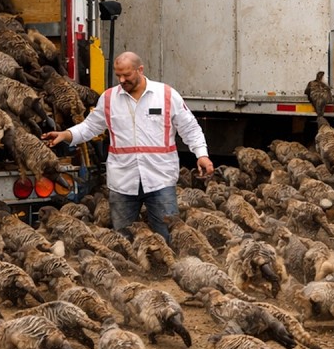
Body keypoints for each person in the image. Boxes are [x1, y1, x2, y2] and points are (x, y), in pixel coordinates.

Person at [43, 52, 214, 243]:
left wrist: (202, 155)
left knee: (167, 235)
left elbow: (190, 128)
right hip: (123, 182)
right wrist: (65, 135)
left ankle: (166, 270)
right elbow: (90, 126)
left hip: (159, 179)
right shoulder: (109, 99)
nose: (122, 80)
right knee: (123, 240)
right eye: (118, 76)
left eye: (127, 75)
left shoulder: (165, 95)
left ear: (140, 70)